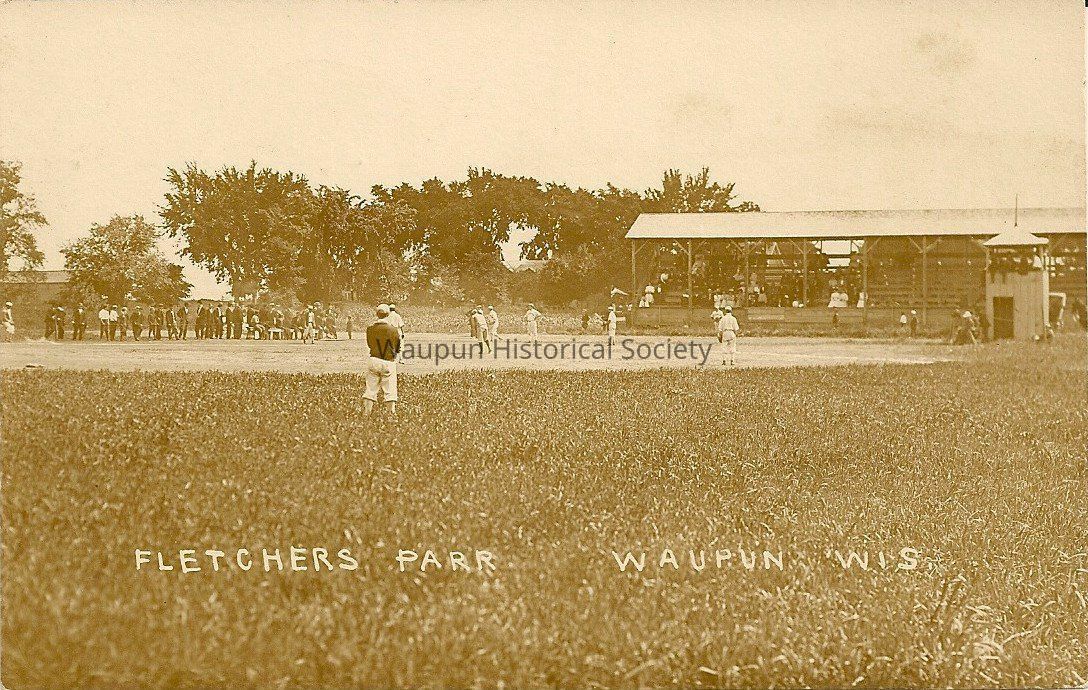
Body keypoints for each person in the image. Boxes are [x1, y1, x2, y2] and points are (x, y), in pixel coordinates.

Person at [364, 304, 400, 415]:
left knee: (370, 389)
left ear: (377, 314)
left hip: (374, 359)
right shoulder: (393, 330)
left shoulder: (370, 329)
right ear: (388, 314)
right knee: (390, 390)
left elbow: (370, 344)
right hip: (388, 361)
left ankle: (367, 413)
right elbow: (397, 347)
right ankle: (390, 413)